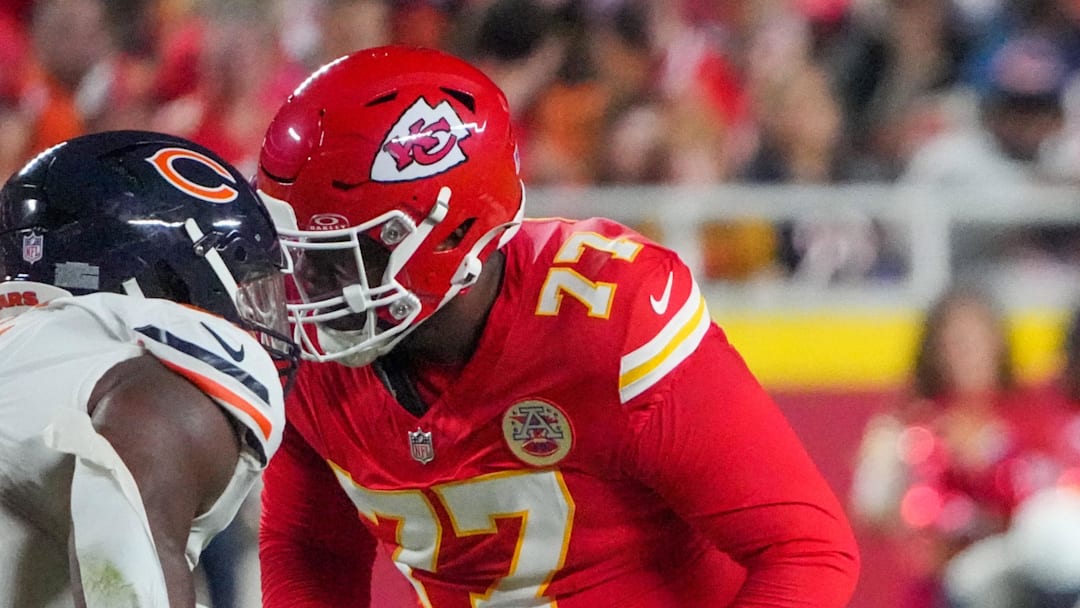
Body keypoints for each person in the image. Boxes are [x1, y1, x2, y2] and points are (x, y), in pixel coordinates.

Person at [255, 45, 860, 607]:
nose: (305, 289)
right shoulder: (317, 356)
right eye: (296, 254)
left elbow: (808, 551)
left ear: (449, 232)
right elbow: (310, 551)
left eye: (337, 257)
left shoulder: (607, 319)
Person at [0, 129, 298, 607]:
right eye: (247, 290)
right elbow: (123, 584)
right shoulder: (165, 379)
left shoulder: (35, 358)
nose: (261, 318)